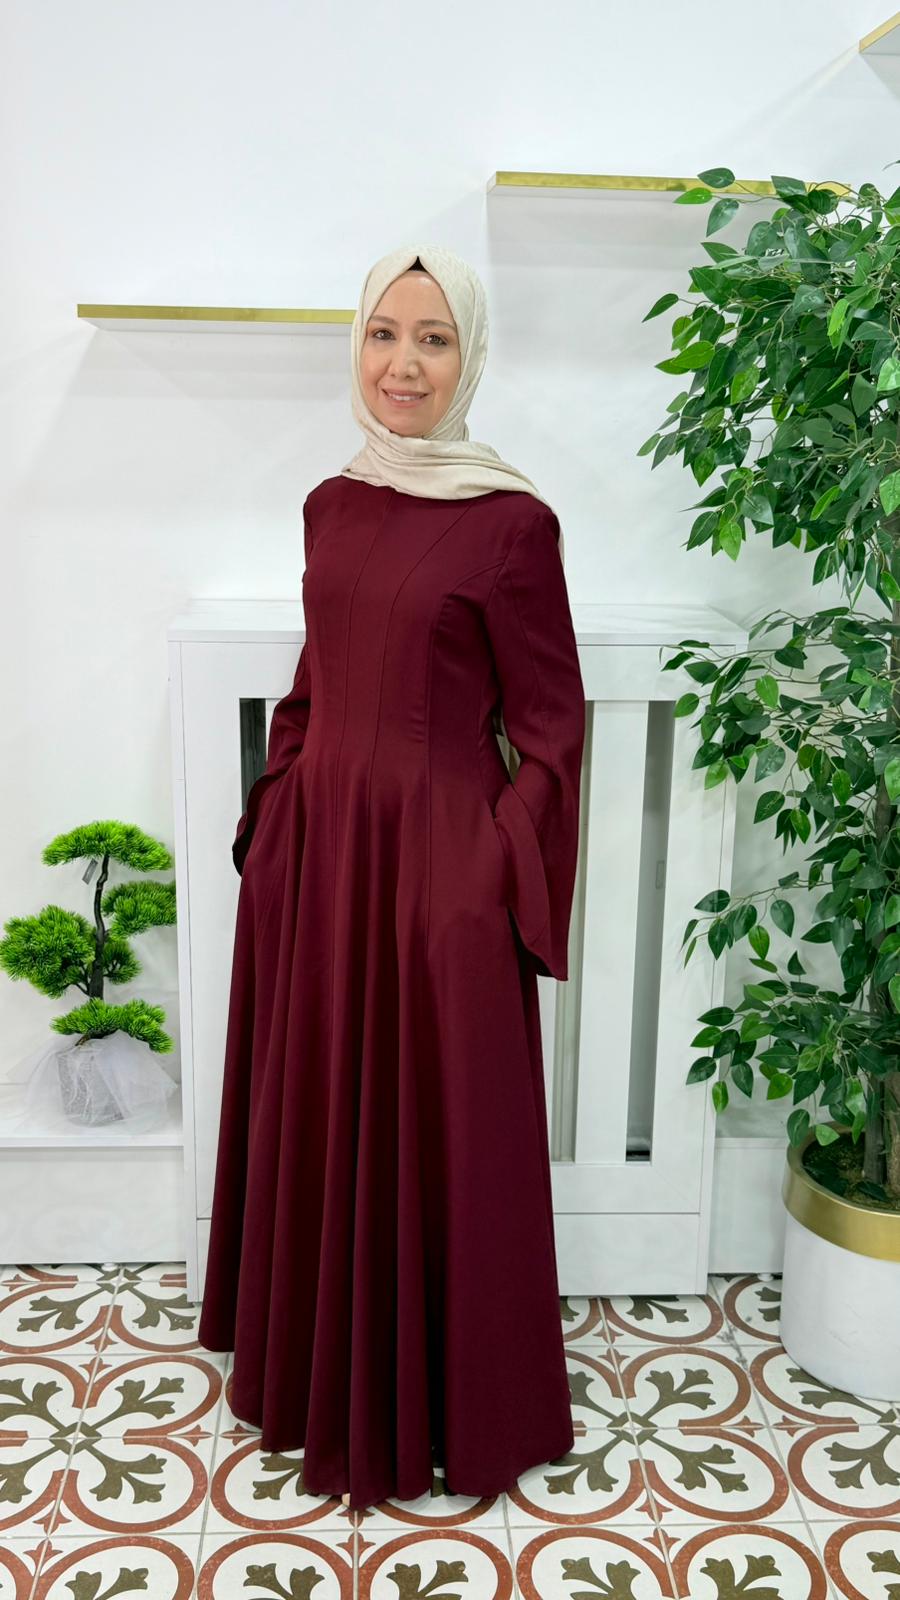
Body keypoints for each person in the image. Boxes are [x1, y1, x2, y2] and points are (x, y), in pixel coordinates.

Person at [197, 243, 586, 1515]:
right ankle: (319, 1381)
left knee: (446, 1136)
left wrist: (490, 865)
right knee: (324, 1111)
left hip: (438, 881)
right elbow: (317, 676)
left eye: (433, 339)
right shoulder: (333, 501)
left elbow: (552, 725)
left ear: (470, 357)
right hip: (324, 865)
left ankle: (454, 1408)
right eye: (383, 333)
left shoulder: (514, 523)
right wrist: (278, 811)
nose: (403, 365)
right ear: (356, 345)